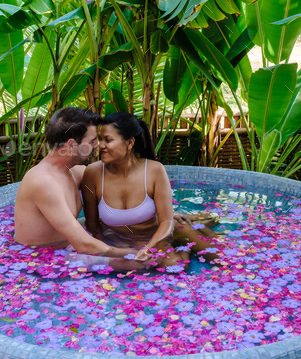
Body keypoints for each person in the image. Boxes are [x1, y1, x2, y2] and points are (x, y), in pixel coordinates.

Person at [81, 111, 219, 268]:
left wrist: (147, 248)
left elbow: (166, 222)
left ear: (130, 142)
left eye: (107, 140)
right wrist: (112, 249)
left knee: (211, 261)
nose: (101, 145)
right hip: (122, 238)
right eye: (100, 139)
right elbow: (92, 224)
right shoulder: (93, 173)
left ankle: (183, 242)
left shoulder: (154, 170)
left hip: (162, 234)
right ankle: (185, 238)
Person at [14, 107, 141, 271]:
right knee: (136, 262)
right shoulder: (43, 182)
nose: (97, 146)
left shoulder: (73, 171)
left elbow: (122, 184)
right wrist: (131, 253)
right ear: (72, 145)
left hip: (66, 244)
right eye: (92, 141)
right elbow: (83, 244)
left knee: (123, 222)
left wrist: (165, 214)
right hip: (40, 258)